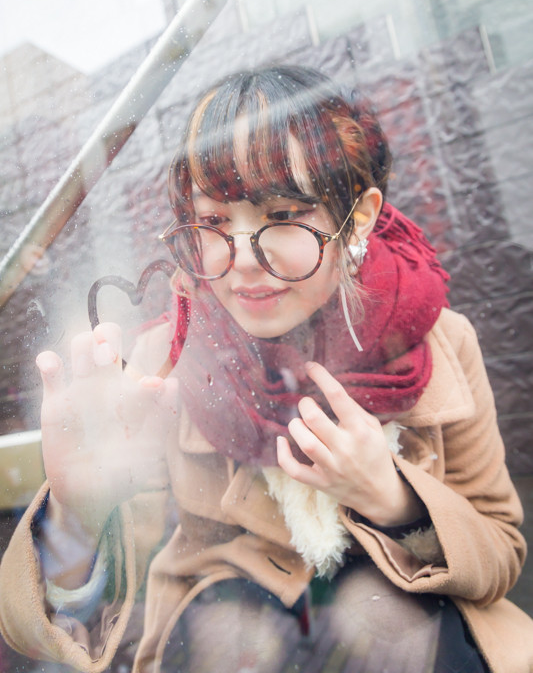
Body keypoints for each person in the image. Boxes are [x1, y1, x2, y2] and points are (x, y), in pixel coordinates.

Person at [0, 66, 531, 673]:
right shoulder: (163, 365)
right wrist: (77, 518)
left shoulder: (437, 340)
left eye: (281, 214)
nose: (244, 260)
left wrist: (392, 497)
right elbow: (73, 627)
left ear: (357, 217)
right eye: (214, 223)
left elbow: (501, 552)